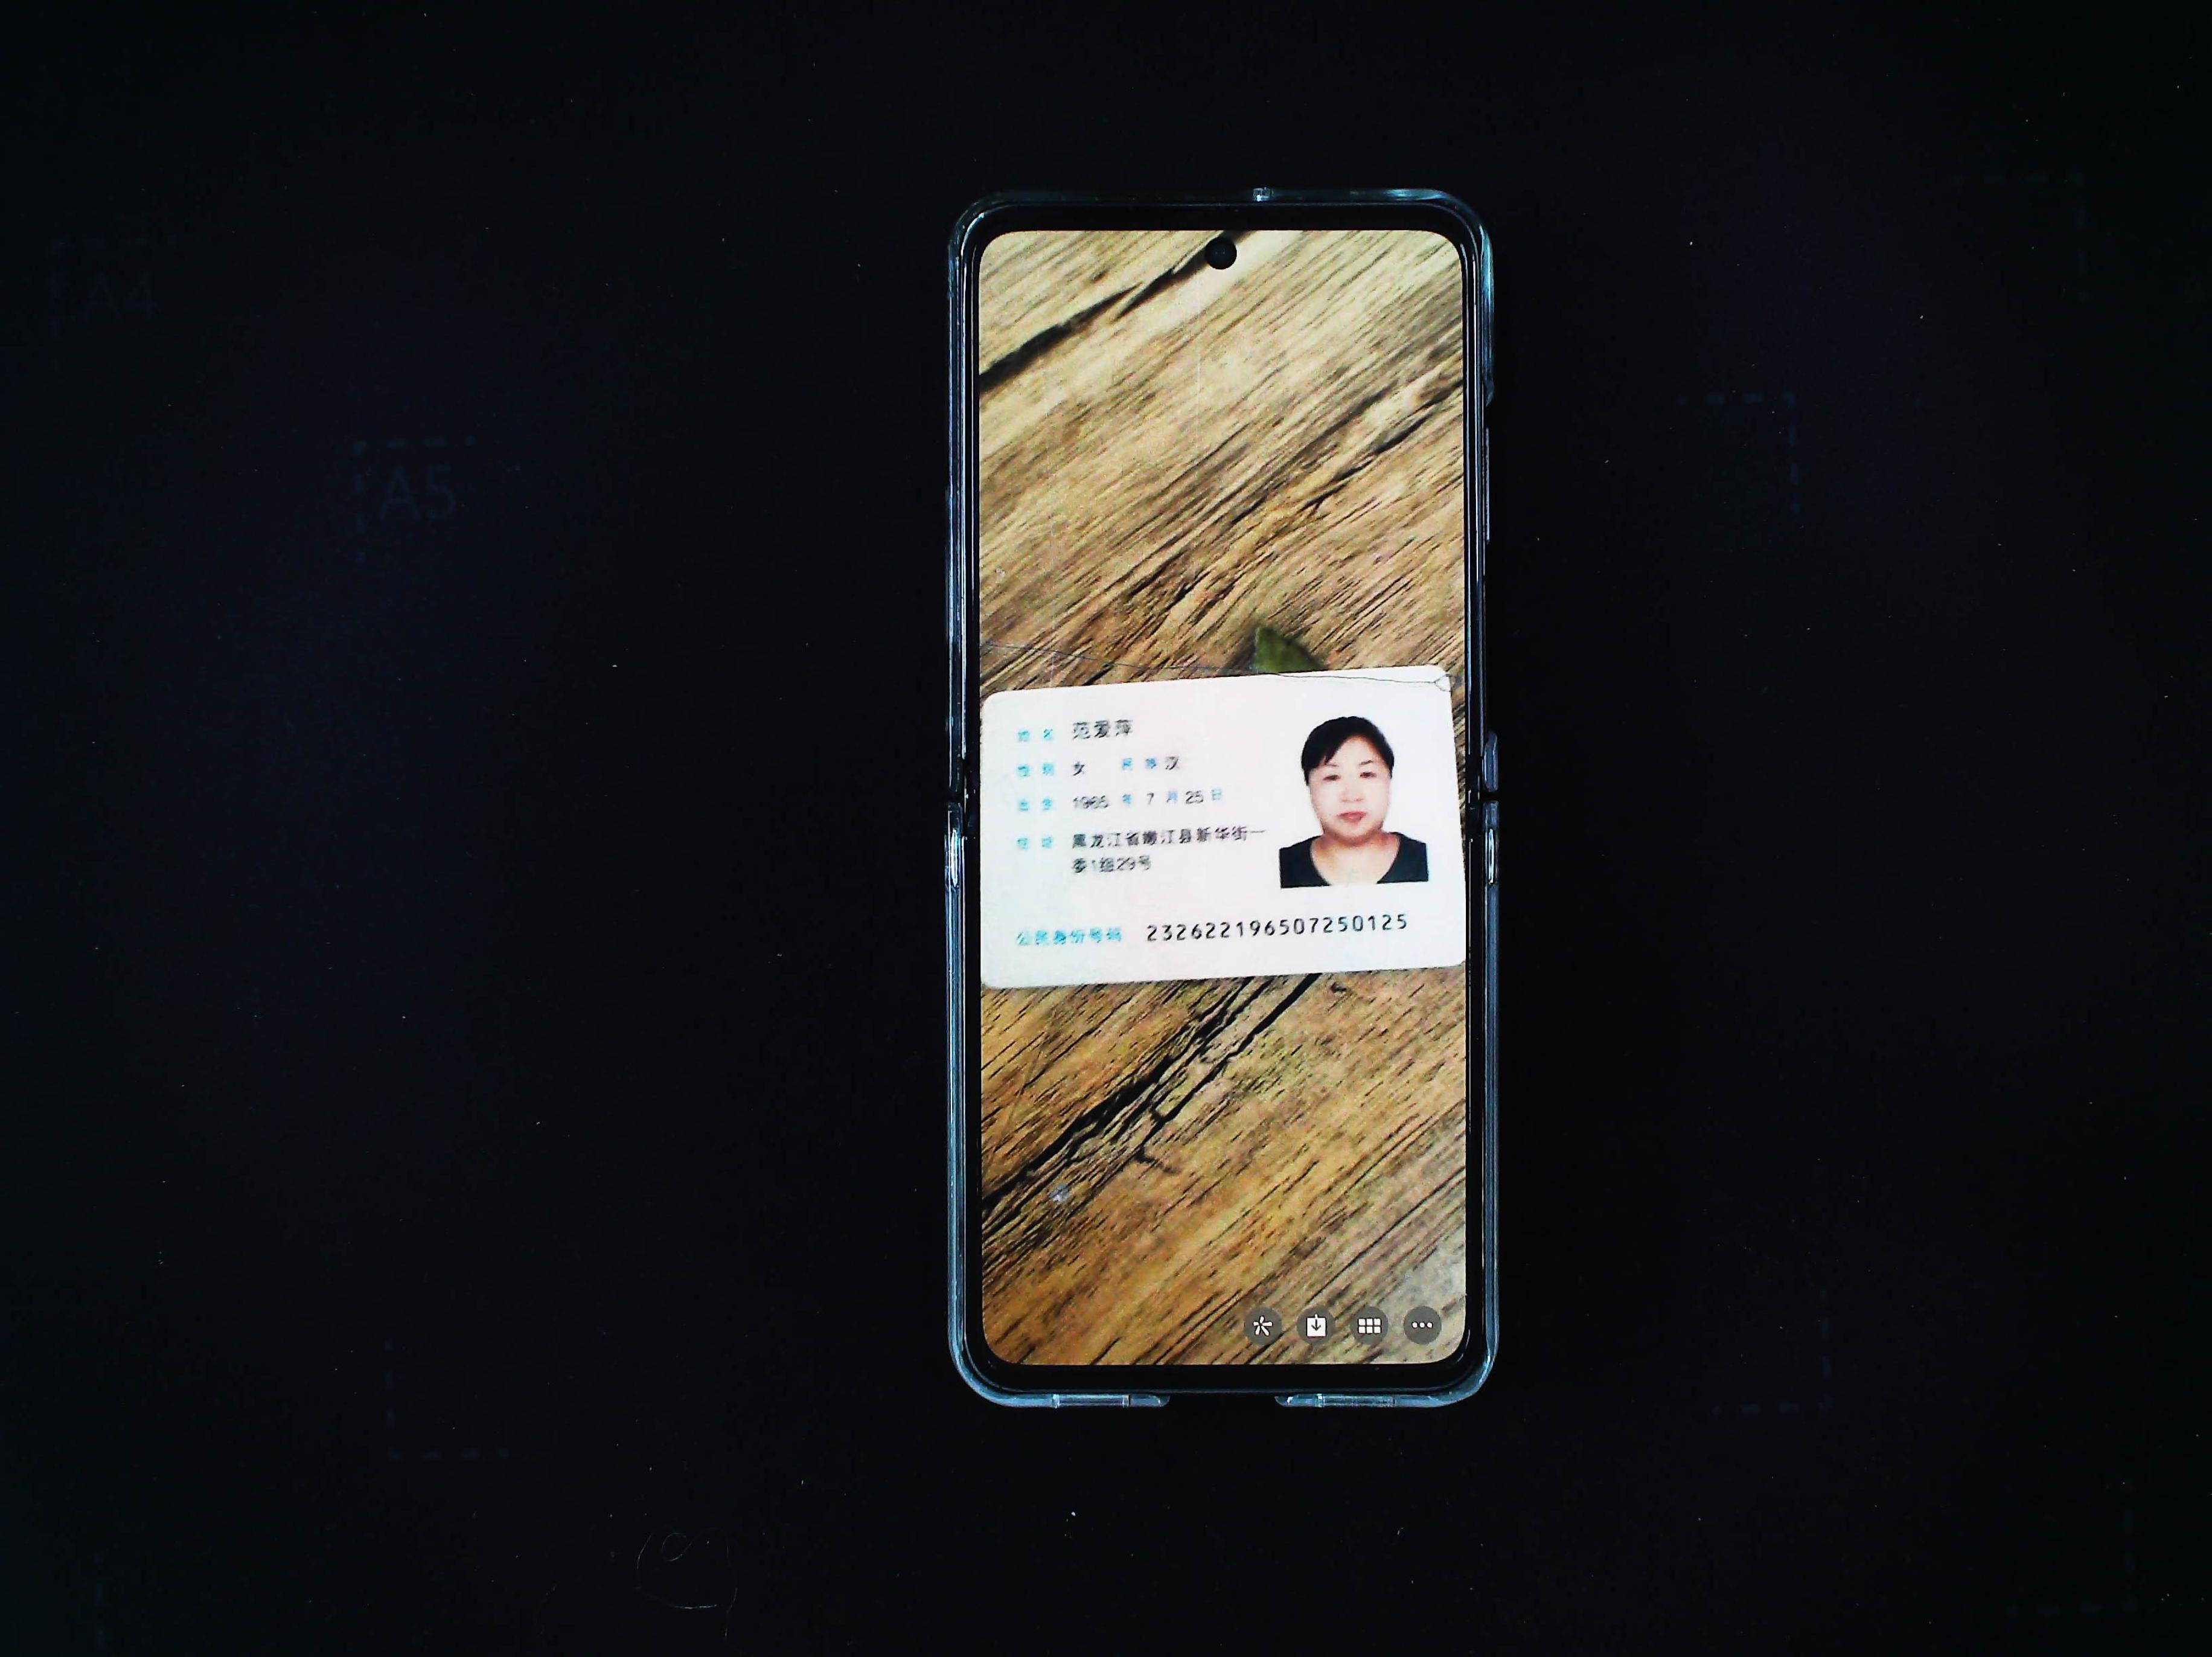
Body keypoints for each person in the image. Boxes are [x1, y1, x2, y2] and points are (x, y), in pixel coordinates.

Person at [1278, 715, 1430, 887]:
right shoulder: (1280, 867)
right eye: (1333, 777)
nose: (1352, 795)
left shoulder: (1428, 860)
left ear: (1389, 780)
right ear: (1309, 786)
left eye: (1367, 774)